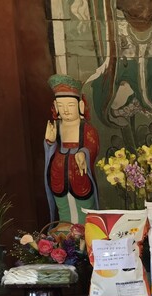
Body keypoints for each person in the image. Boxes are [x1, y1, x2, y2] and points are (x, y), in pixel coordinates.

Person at [44, 74, 100, 226]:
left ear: (80, 106)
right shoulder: (57, 127)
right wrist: (49, 142)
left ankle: (84, 233)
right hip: (59, 175)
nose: (66, 111)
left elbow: (93, 145)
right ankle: (66, 233)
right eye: (61, 106)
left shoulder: (86, 128)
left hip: (79, 175)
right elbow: (50, 150)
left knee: (84, 208)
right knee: (63, 208)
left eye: (70, 105)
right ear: (55, 107)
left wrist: (84, 153)